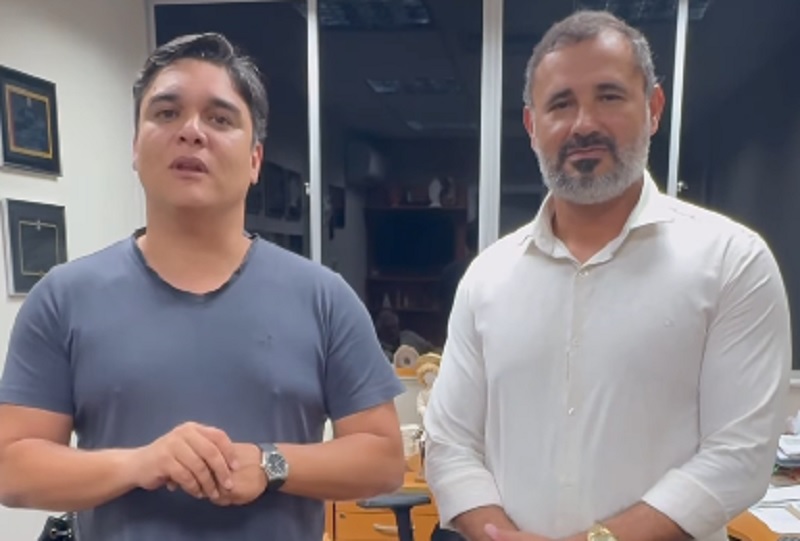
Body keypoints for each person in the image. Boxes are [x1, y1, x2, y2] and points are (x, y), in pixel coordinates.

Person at [0, 32, 406, 540]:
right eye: (166, 113)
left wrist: (270, 463)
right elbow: (13, 467)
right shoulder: (63, 298)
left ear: (255, 160)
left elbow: (383, 459)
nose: (191, 132)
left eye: (220, 119)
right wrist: (140, 464)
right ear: (135, 147)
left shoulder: (324, 298)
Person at [423, 10, 790, 541]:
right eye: (560, 104)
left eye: (609, 96)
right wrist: (496, 534)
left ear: (654, 108)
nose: (584, 124)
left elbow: (740, 454)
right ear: (532, 127)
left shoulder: (732, 261)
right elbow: (450, 442)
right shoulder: (487, 278)